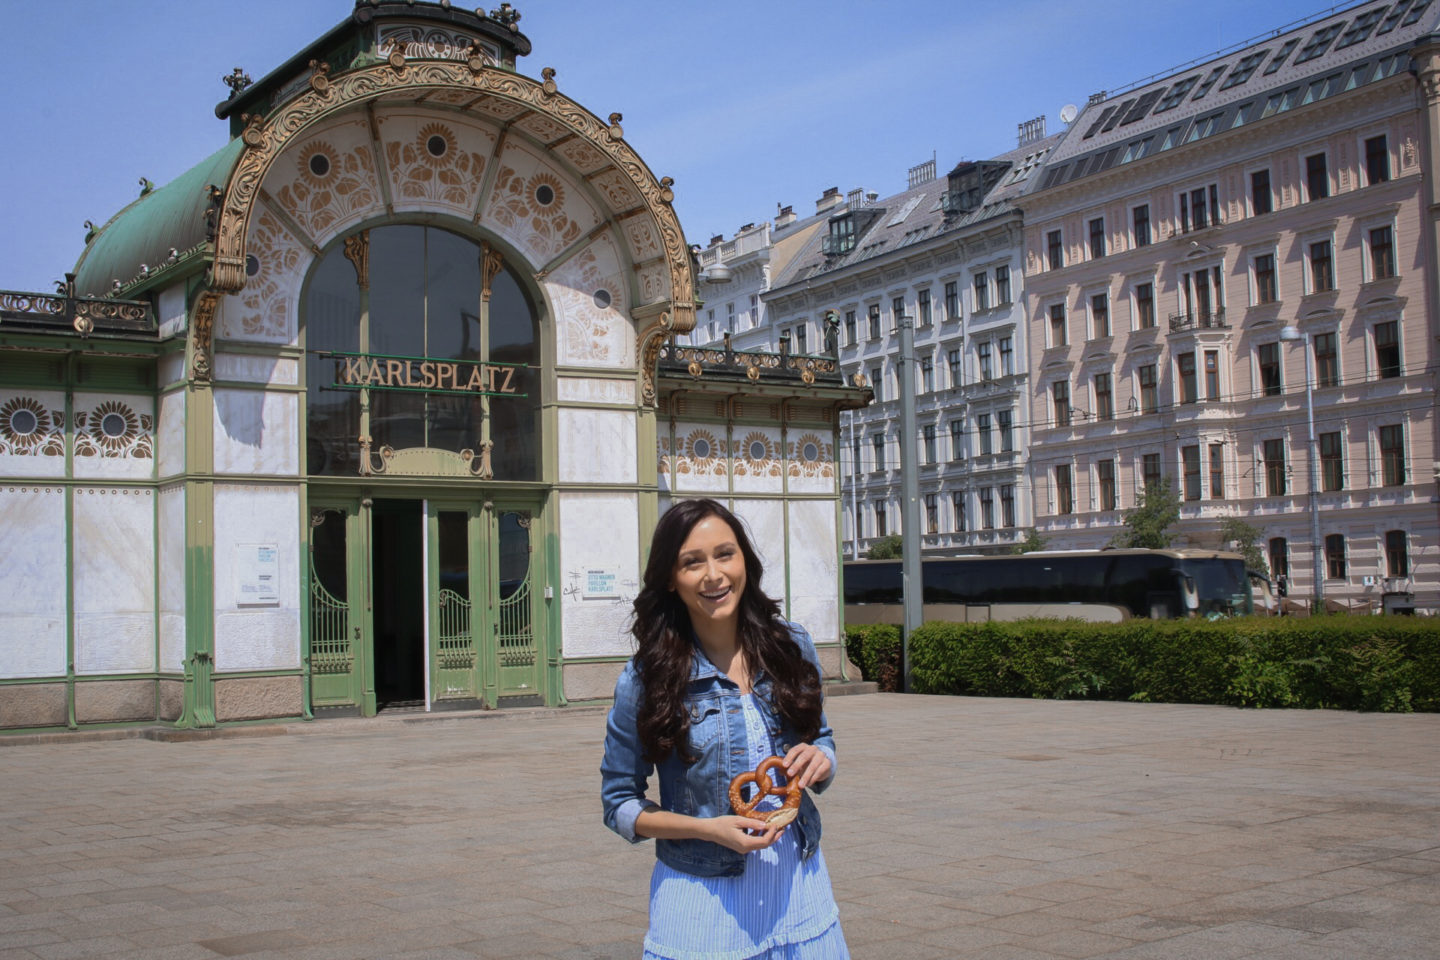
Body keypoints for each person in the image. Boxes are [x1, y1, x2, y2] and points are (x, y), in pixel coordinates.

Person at [601, 498, 849, 959]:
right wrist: (708, 830)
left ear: (745, 563)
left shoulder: (790, 647)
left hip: (800, 894)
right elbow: (619, 804)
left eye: (724, 554)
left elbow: (822, 740)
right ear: (671, 580)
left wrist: (822, 759)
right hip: (702, 905)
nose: (713, 575)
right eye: (692, 563)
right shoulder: (645, 678)